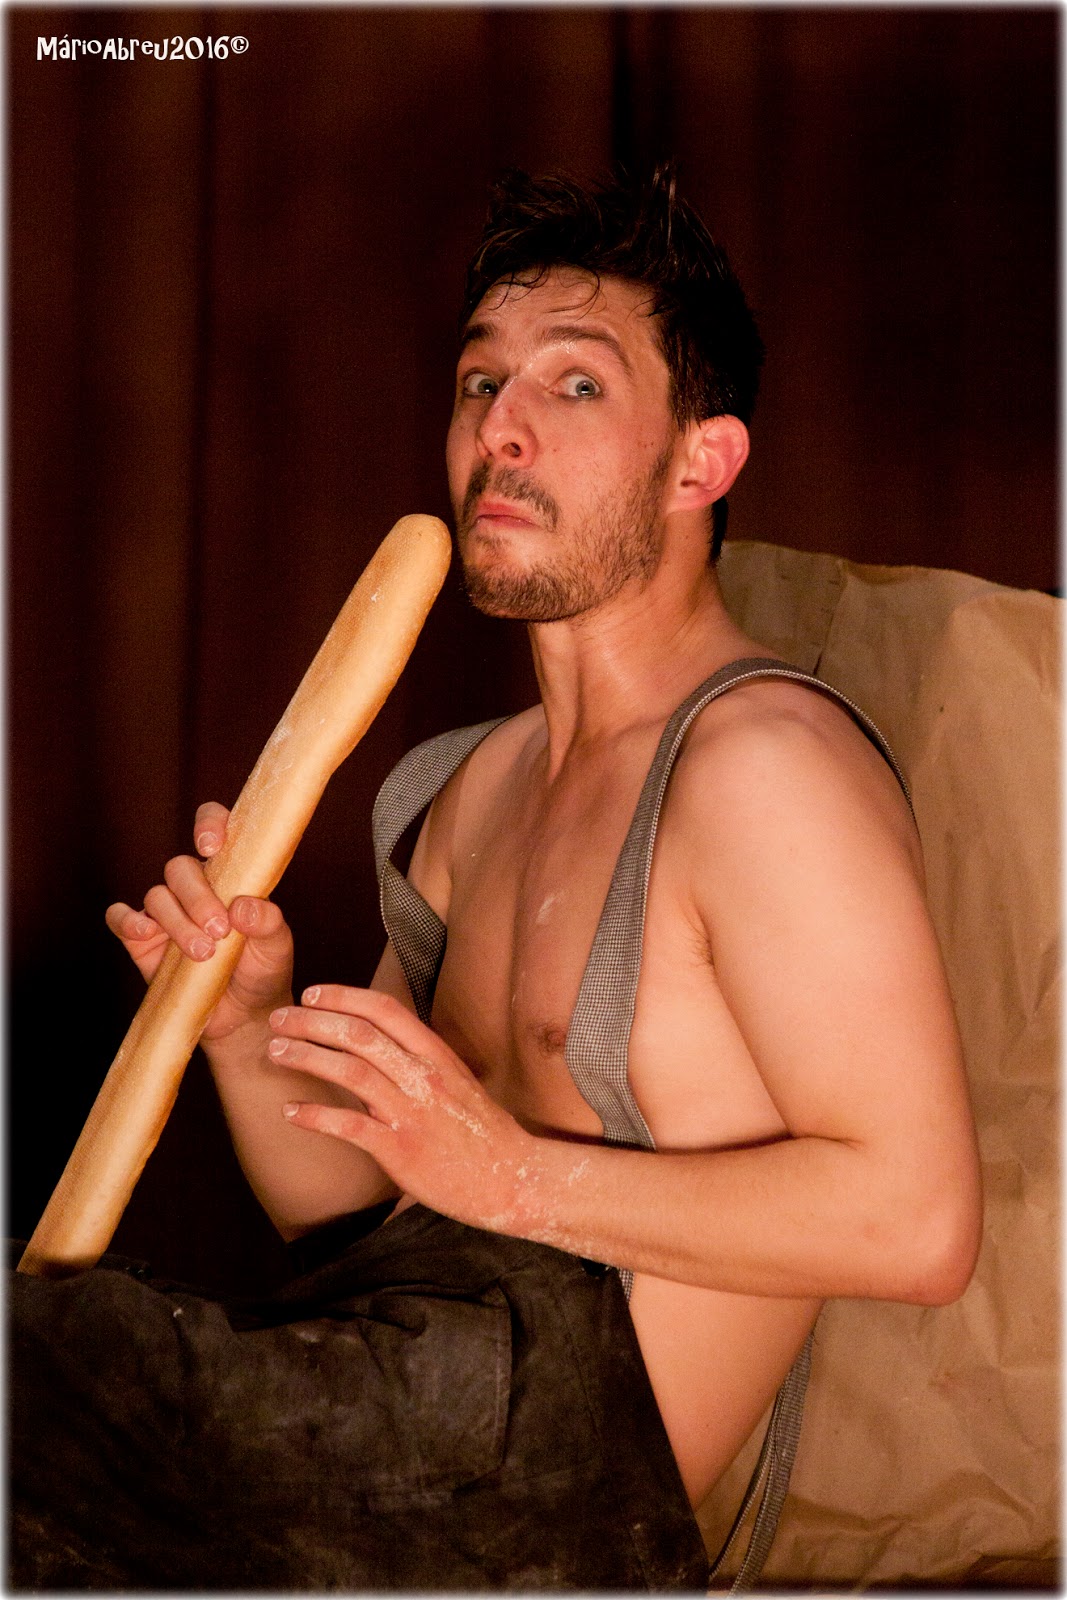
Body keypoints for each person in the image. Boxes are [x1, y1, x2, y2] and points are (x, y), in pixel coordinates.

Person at [10, 167, 982, 1591]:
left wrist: (513, 1176)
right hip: (371, 1392)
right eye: (480, 383)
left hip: (553, 1506)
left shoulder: (762, 769)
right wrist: (239, 1021)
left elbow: (919, 1222)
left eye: (576, 385)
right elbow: (347, 1212)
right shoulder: (472, 787)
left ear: (703, 463)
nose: (499, 429)